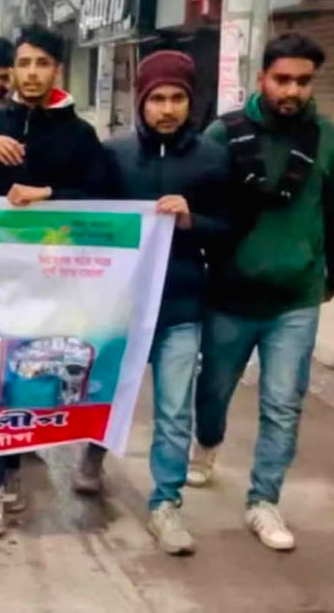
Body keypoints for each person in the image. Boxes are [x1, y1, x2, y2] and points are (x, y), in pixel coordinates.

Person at [189, 33, 334, 552]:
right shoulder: (223, 135)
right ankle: (208, 443)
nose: (293, 90)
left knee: (283, 403)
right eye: (283, 79)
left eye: (303, 81)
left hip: (295, 301)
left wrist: (333, 277)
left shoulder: (330, 140)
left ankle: (264, 501)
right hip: (230, 296)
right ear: (262, 78)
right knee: (213, 391)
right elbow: (199, 206)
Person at [71, 51, 232, 555]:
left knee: (173, 411)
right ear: (141, 101)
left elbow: (231, 228)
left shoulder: (212, 158)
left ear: (191, 101)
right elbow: (87, 217)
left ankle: (165, 504)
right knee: (110, 394)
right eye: (157, 98)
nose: (167, 109)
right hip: (122, 306)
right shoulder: (114, 155)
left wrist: (193, 221)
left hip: (181, 305)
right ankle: (93, 456)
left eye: (177, 98)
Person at [0, 24, 117, 537]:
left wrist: (47, 192)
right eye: (23, 64)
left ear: (57, 70)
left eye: (41, 64)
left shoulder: (80, 134)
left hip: (54, 284)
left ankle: (16, 461)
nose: (31, 74)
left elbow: (104, 198)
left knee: (29, 380)